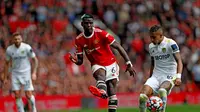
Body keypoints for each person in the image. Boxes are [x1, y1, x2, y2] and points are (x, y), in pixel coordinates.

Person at [69, 14, 136, 112]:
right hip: (97, 64)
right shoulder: (79, 40)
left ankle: (104, 94)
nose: (89, 25)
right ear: (82, 24)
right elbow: (80, 60)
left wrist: (129, 63)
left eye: (91, 23)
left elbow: (118, 46)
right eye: (86, 23)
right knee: (100, 75)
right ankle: (101, 91)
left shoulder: (101, 33)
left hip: (111, 63)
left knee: (112, 90)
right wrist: (76, 61)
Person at [139, 25, 183, 112]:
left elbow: (179, 61)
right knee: (142, 96)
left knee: (162, 90)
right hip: (156, 75)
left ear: (160, 35)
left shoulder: (171, 43)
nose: (151, 39)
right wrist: (150, 78)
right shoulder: (151, 46)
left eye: (153, 37)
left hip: (169, 75)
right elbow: (152, 63)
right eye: (150, 37)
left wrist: (178, 76)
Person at [3, 32, 38, 112]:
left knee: (28, 95)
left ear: (21, 39)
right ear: (13, 40)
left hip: (26, 73)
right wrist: (5, 77)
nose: (17, 40)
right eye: (15, 39)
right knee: (17, 94)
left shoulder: (26, 47)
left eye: (19, 39)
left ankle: (33, 109)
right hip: (15, 74)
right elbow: (6, 63)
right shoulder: (9, 50)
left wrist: (34, 72)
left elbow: (35, 60)